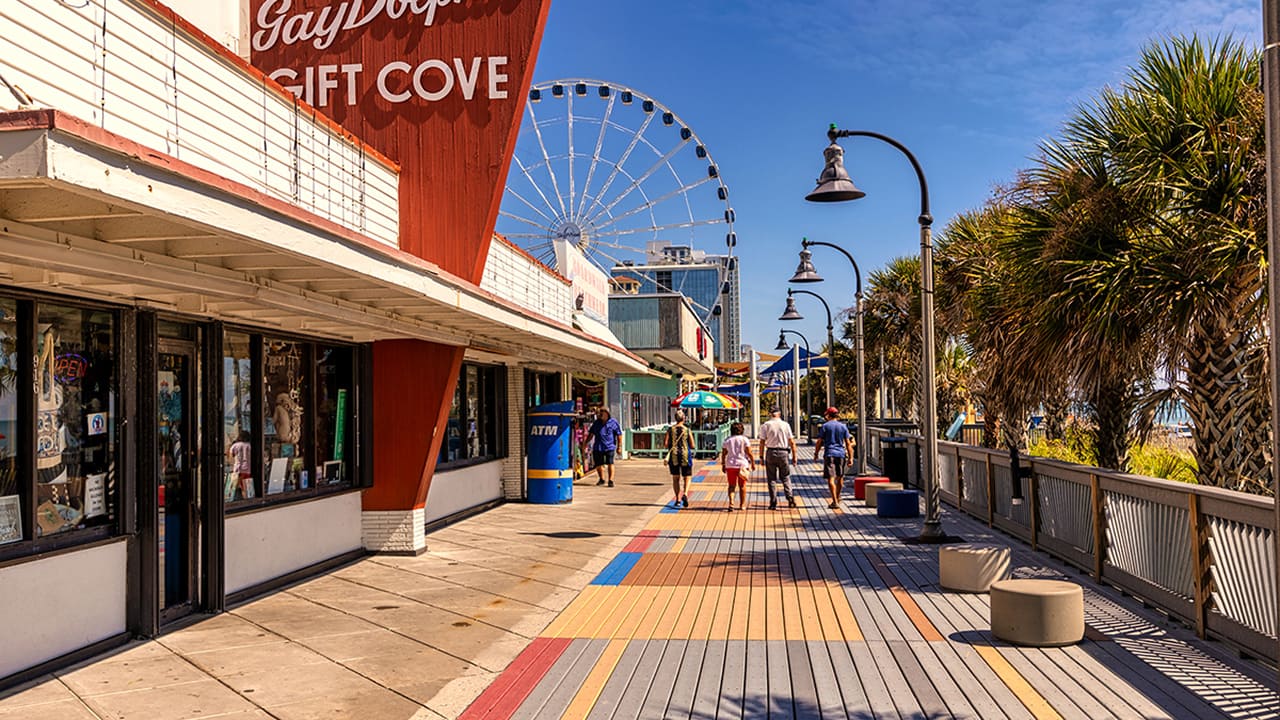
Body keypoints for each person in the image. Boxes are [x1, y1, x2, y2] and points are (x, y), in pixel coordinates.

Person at [757, 408, 797, 509]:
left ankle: (773, 501)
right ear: (779, 414)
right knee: (785, 476)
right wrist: (795, 456)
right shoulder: (785, 425)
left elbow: (762, 442)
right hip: (784, 452)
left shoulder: (765, 425)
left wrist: (761, 456)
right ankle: (790, 497)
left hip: (770, 452)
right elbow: (791, 441)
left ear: (770, 414)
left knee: (772, 479)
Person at [814, 407, 852, 508]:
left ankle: (834, 501)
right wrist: (851, 457)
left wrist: (816, 453)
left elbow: (819, 441)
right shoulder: (843, 427)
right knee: (840, 477)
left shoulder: (825, 426)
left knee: (831, 478)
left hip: (829, 454)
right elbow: (848, 443)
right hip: (841, 454)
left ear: (828, 416)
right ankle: (838, 497)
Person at [720, 421, 755, 511]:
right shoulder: (745, 440)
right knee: (742, 486)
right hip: (742, 465)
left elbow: (724, 454)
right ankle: (742, 504)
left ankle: (731, 503)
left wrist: (723, 464)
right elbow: (749, 452)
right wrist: (753, 462)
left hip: (730, 465)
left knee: (731, 486)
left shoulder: (727, 440)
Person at [665, 409, 695, 508]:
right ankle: (685, 494)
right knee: (687, 476)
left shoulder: (670, 429)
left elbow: (665, 444)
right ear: (684, 418)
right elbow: (692, 445)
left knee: (675, 478)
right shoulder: (687, 430)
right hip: (685, 455)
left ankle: (677, 499)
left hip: (674, 455)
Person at [586, 408, 623, 487]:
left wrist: (619, 446)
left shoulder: (613, 422)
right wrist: (585, 443)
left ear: (607, 413)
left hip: (609, 446)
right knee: (598, 464)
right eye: (600, 413)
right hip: (598, 447)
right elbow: (591, 434)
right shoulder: (596, 423)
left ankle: (611, 480)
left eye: (602, 412)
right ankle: (602, 479)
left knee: (610, 463)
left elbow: (619, 434)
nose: (600, 414)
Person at [230, 430, 254, 499]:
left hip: (238, 469)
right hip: (248, 469)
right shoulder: (249, 445)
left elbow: (231, 456)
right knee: (246, 487)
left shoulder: (235, 445)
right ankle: (247, 499)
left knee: (235, 487)